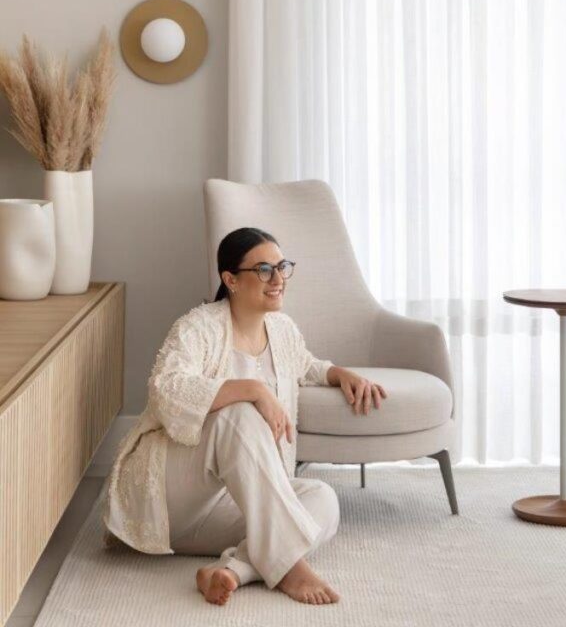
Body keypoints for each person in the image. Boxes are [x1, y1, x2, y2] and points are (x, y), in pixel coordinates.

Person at [102, 226, 387, 608]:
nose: (278, 279)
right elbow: (164, 388)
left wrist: (339, 374)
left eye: (282, 267)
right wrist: (252, 390)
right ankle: (291, 567)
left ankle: (233, 571)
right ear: (231, 279)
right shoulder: (199, 326)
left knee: (322, 499)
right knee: (237, 415)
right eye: (264, 270)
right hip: (172, 499)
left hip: (223, 506)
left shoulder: (282, 330)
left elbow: (305, 365)